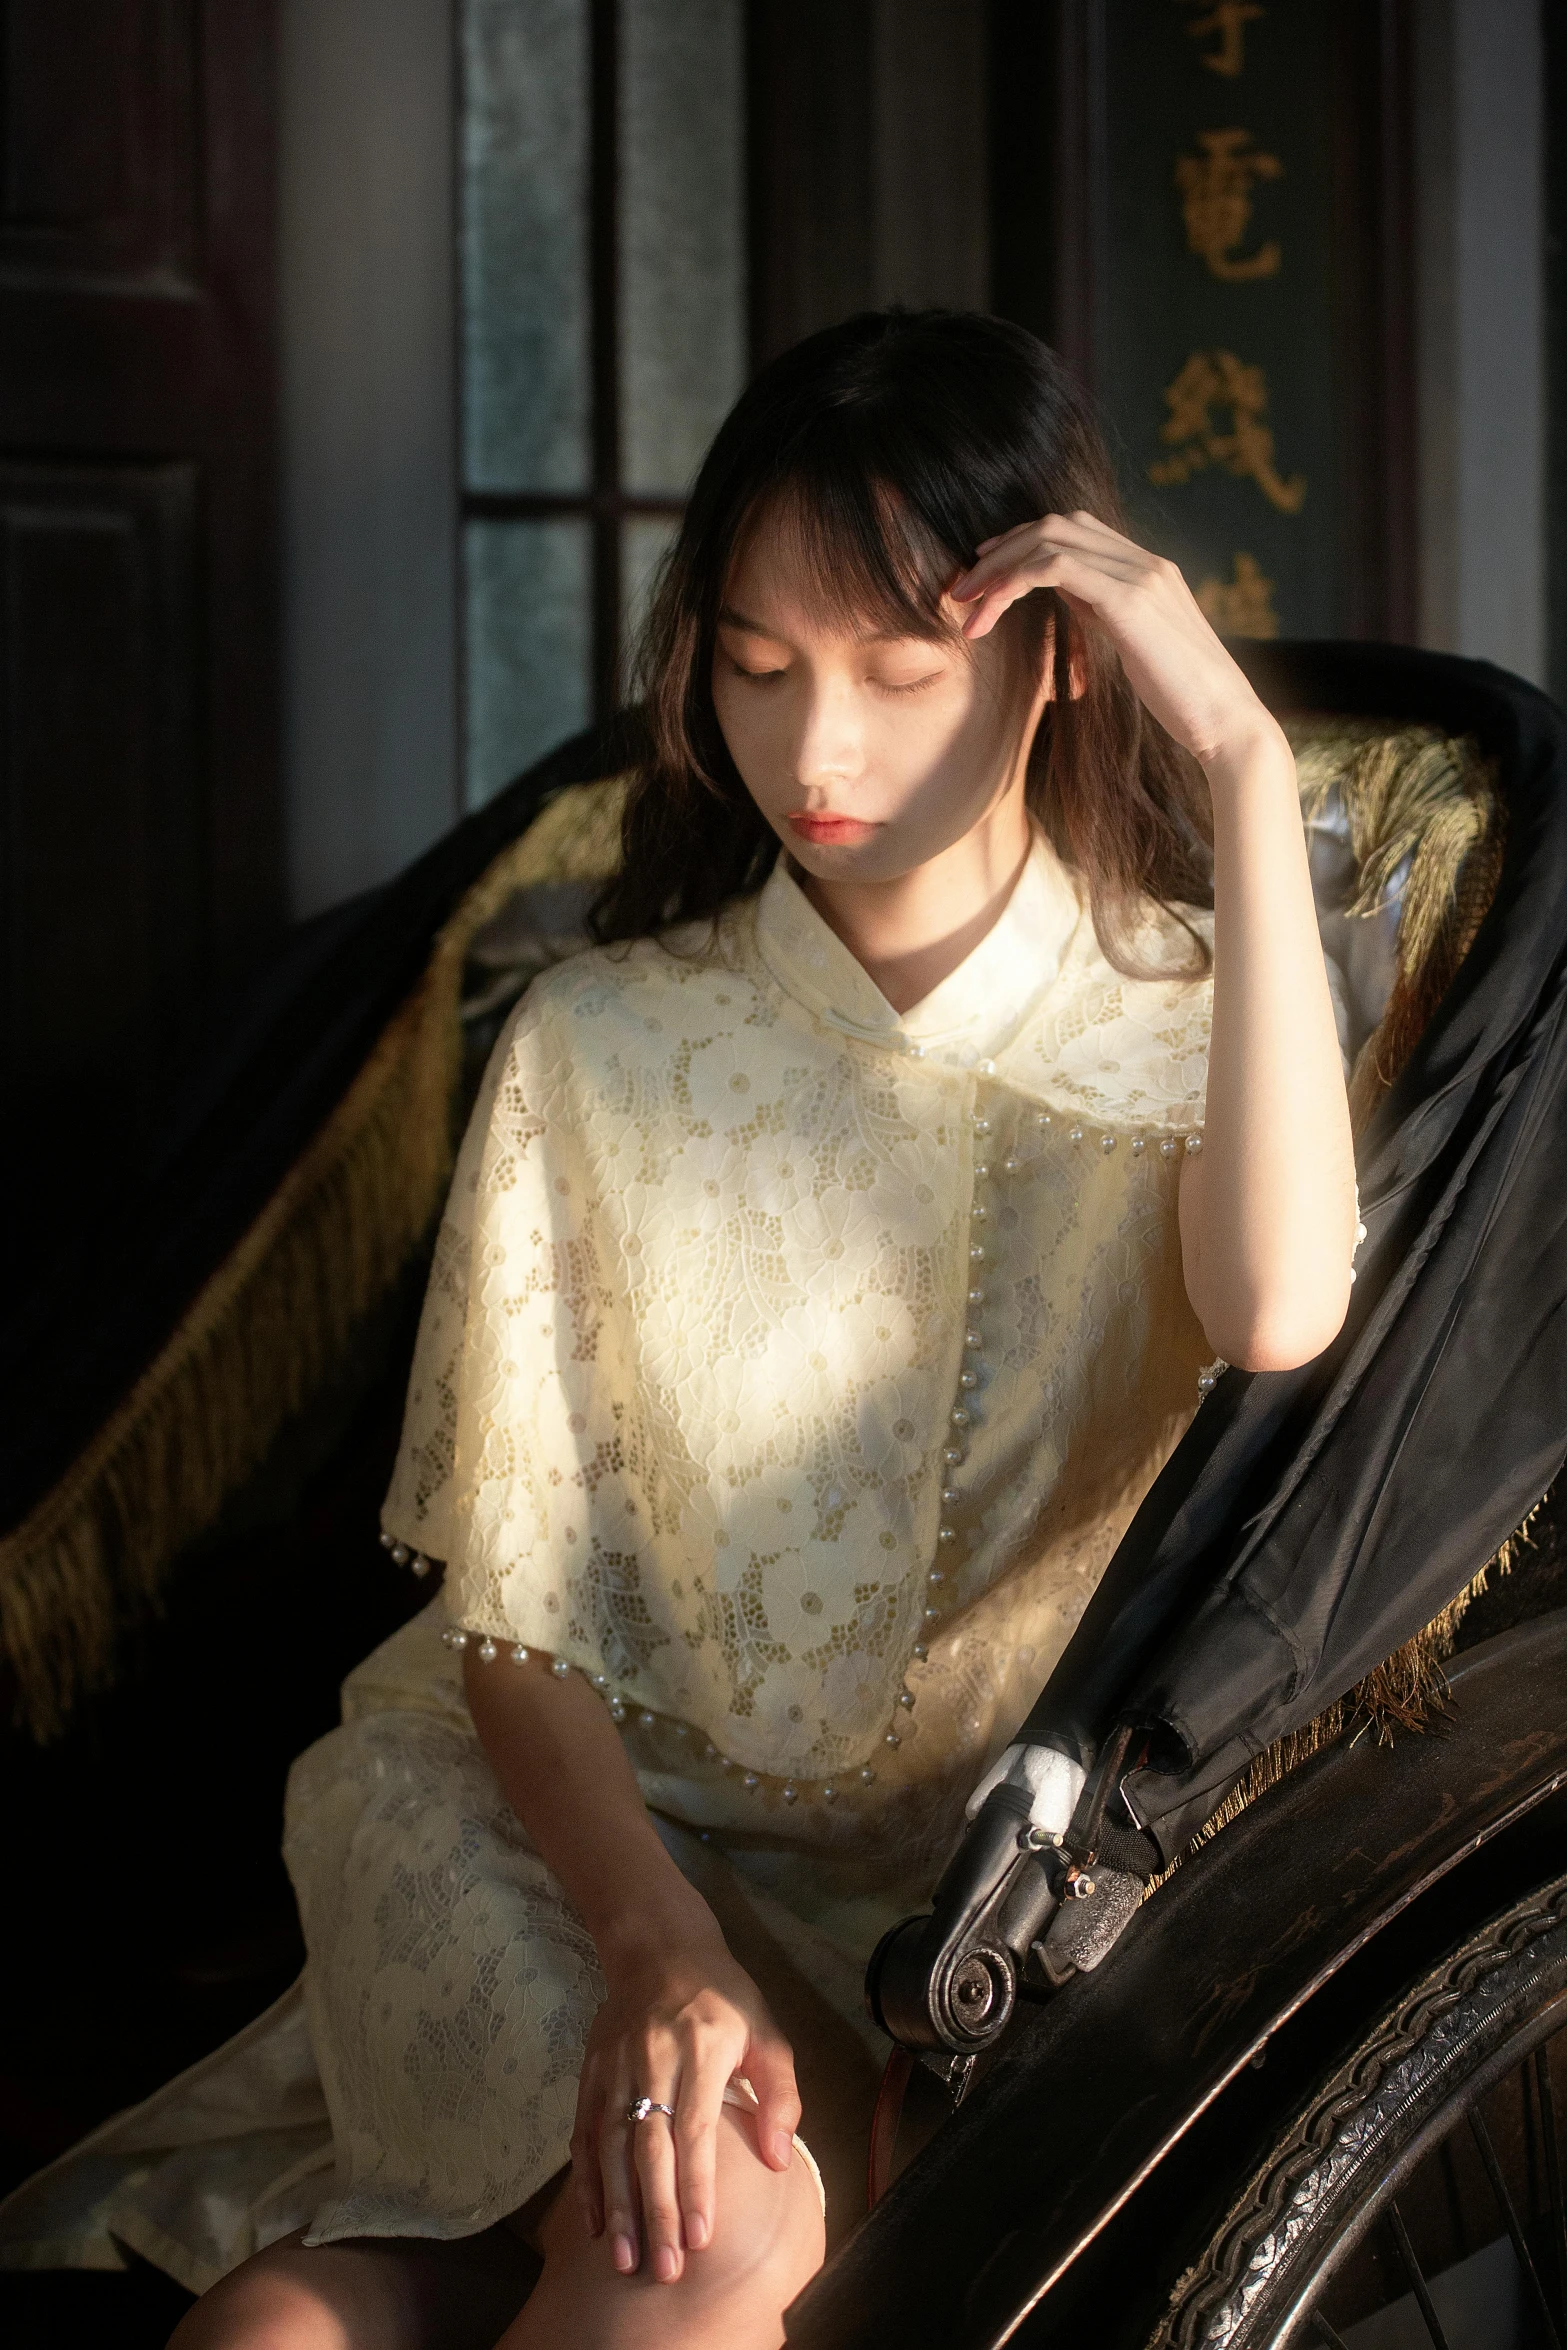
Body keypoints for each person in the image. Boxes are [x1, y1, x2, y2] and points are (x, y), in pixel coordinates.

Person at [1, 311, 1355, 2349]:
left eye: (902, 673)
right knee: (702, 2241)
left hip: (955, 1907)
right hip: (537, 1821)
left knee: (297, 2327)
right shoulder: (604, 1039)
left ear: (1052, 653)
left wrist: (1243, 763)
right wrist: (648, 1937)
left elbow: (1279, 1308)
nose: (818, 750)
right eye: (755, 663)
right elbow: (511, 1617)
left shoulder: (1186, 1025)